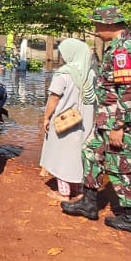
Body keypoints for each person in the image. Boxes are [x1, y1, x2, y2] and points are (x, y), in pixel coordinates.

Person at [60, 6, 131, 235]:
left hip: (119, 121)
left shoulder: (123, 51)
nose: (96, 30)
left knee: (120, 166)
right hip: (107, 118)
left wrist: (119, 126)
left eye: (98, 26)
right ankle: (89, 203)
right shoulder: (119, 46)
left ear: (109, 25)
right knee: (91, 151)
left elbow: (128, 90)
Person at [39, 38, 96, 200]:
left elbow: (54, 98)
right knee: (77, 156)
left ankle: (64, 193)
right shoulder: (91, 73)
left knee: (61, 155)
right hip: (85, 122)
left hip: (64, 120)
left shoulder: (64, 73)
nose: (62, 56)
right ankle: (78, 191)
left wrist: (46, 117)